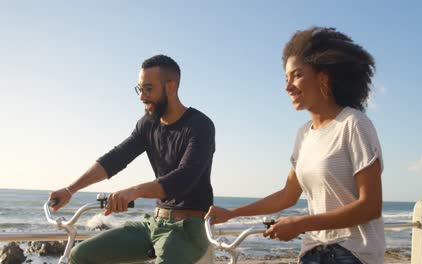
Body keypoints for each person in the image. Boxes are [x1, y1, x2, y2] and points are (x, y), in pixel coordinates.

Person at [206, 27, 385, 264]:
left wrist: (301, 223)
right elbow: (287, 196)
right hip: (312, 252)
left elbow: (371, 206)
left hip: (351, 254)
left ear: (323, 77)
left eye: (297, 75)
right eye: (286, 78)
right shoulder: (303, 135)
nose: (287, 86)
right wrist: (232, 214)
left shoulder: (353, 124)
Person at [49, 54, 216, 264]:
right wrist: (70, 189)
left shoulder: (200, 125)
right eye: (140, 89)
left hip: (188, 228)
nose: (142, 96)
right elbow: (116, 158)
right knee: (80, 255)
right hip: (154, 223)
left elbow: (184, 178)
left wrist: (134, 191)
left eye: (148, 89)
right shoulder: (148, 124)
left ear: (170, 87)